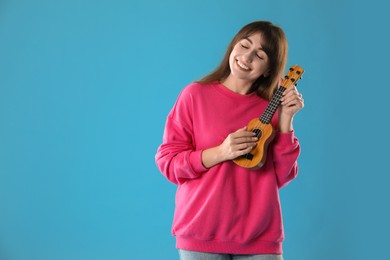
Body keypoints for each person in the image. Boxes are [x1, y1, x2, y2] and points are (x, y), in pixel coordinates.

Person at [155, 21, 304, 260]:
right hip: (200, 233)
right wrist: (221, 152)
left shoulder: (272, 109)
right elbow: (169, 162)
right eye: (244, 45)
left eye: (260, 55)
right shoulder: (194, 95)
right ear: (233, 47)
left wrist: (286, 120)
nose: (247, 56)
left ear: (268, 69)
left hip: (260, 235)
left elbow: (282, 176)